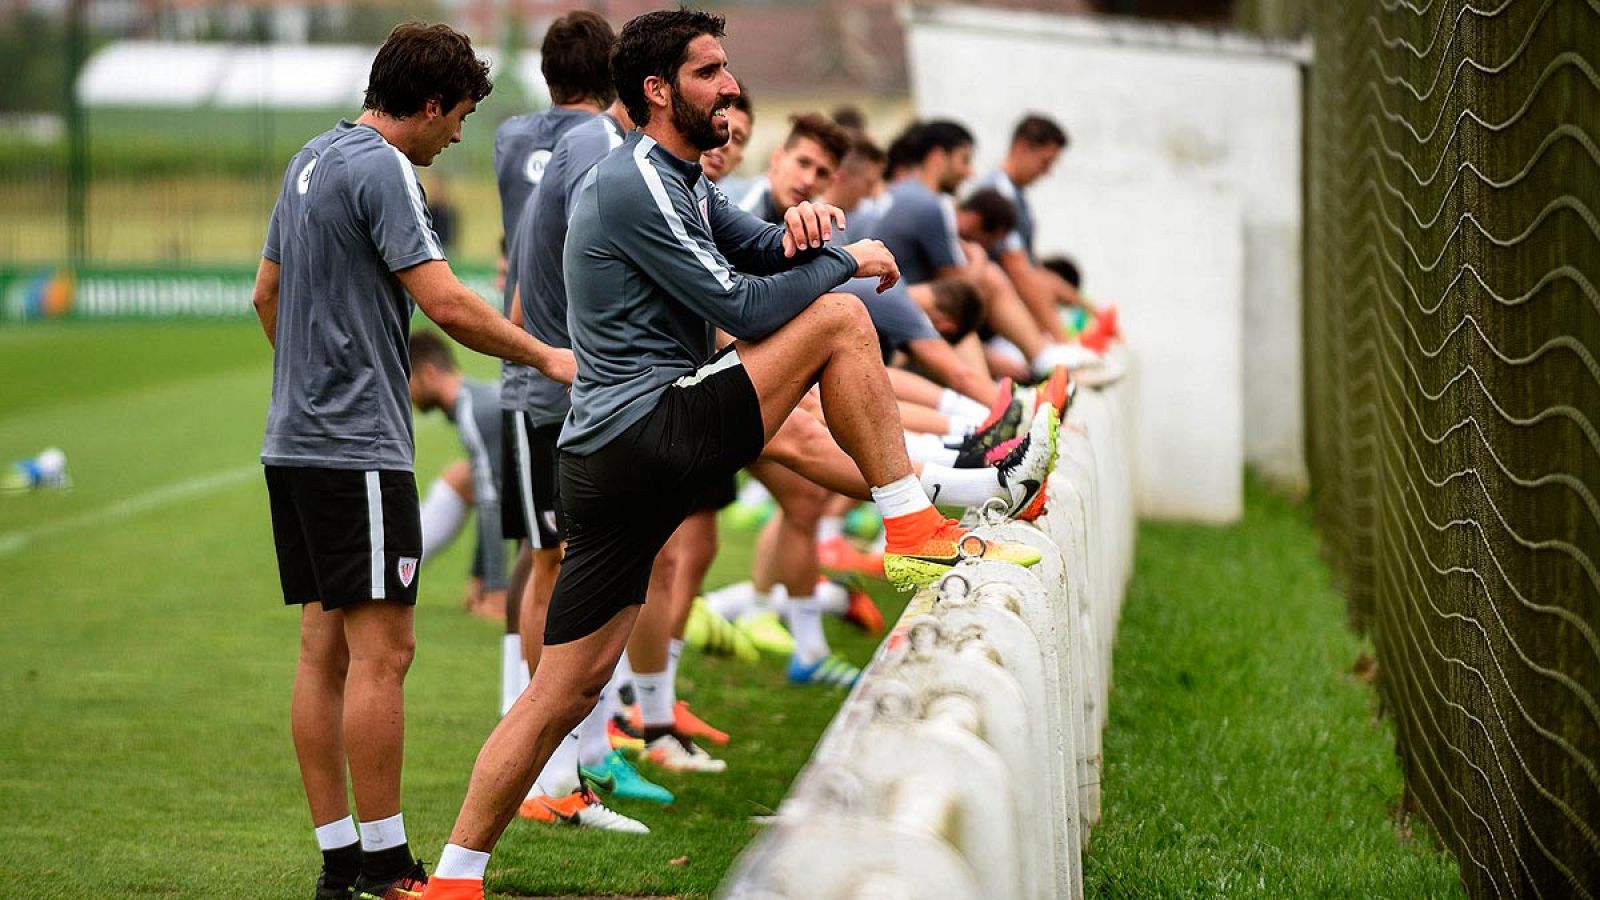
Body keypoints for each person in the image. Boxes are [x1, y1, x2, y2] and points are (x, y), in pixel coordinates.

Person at [418, 11, 1042, 897]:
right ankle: (913, 519)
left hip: (611, 456)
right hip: (644, 434)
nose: (731, 87)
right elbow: (748, 309)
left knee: (562, 687)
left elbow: (760, 247)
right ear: (658, 90)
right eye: (710, 71)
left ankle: (454, 876)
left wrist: (814, 230)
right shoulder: (632, 179)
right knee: (838, 320)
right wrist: (849, 262)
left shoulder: (680, 178)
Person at [250, 22, 573, 900]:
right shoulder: (384, 167)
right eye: (458, 116)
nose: (459, 135)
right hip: (357, 447)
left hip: (295, 443)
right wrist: (545, 355)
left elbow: (265, 293)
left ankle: (339, 863)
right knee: (385, 653)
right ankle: (390, 867)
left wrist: (307, 388)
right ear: (429, 105)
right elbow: (444, 302)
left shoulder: (310, 158)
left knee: (324, 652)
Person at [492, 8, 616, 731]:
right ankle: (543, 731)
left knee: (549, 556)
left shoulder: (511, 138)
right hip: (565, 364)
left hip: (534, 348)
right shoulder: (600, 143)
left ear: (546, 74)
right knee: (558, 561)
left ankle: (548, 720)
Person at [408, 331, 508, 622]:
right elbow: (487, 491)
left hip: (559, 496)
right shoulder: (474, 401)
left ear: (428, 373)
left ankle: (391, 572)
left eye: (407, 379)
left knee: (471, 481)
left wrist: (496, 591)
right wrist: (479, 577)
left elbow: (492, 505)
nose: (406, 392)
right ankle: (394, 572)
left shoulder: (473, 410)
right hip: (539, 491)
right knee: (462, 477)